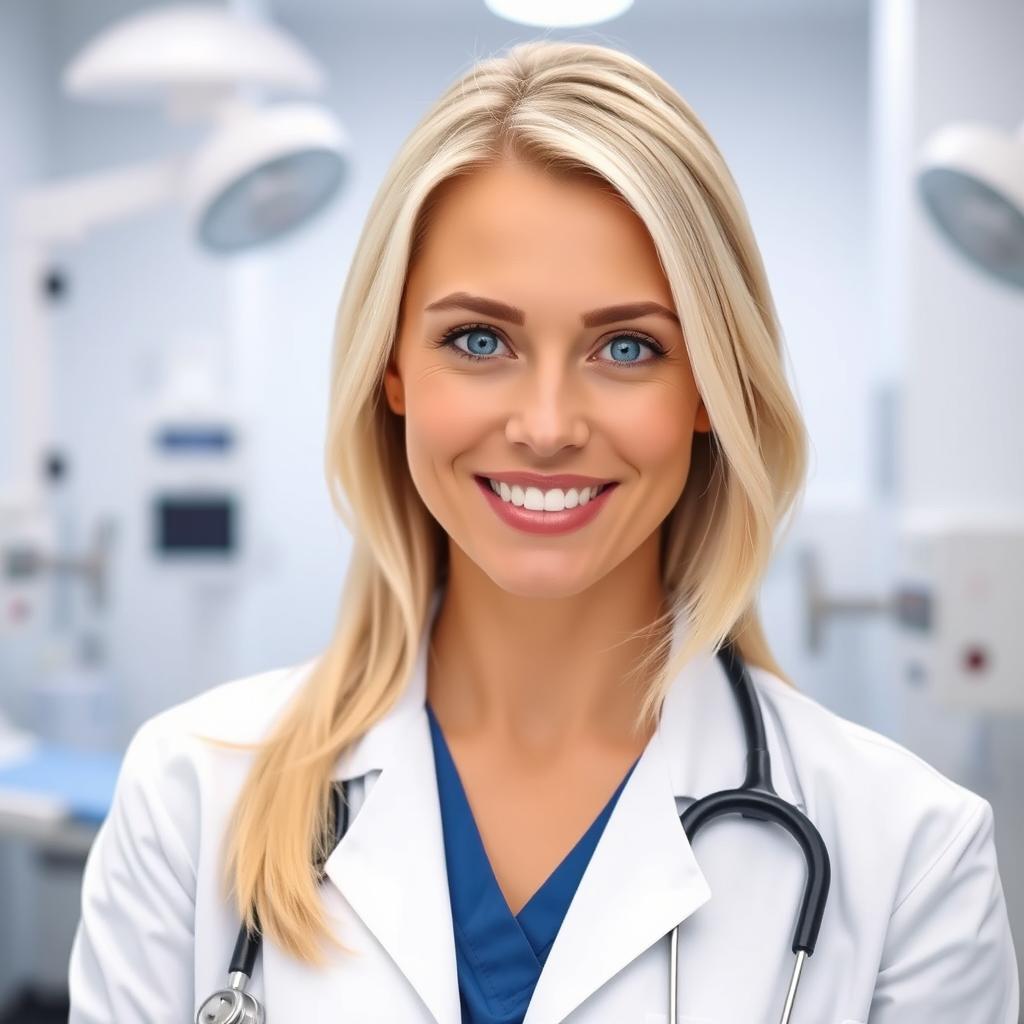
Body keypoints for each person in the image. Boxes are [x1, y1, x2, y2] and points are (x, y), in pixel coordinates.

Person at [68, 39, 1019, 1023]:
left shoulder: (907, 857)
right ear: (393, 371)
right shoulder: (188, 799)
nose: (548, 424)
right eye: (479, 340)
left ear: (709, 390)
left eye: (626, 346)